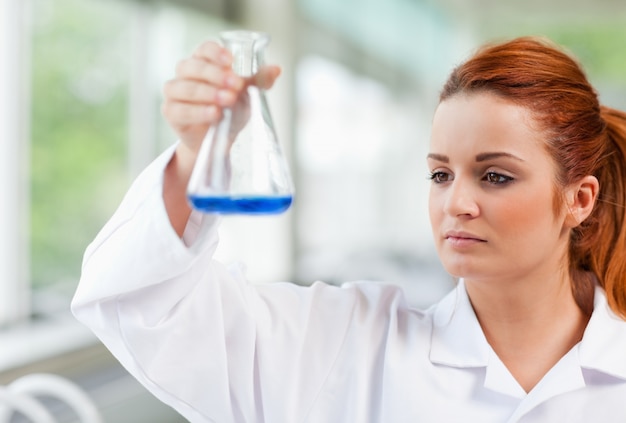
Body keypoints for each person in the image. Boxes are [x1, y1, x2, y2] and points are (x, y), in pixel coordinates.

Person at [71, 36, 626, 422]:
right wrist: (199, 151)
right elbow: (143, 302)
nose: (455, 202)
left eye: (495, 176)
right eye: (439, 173)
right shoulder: (344, 349)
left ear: (579, 199)